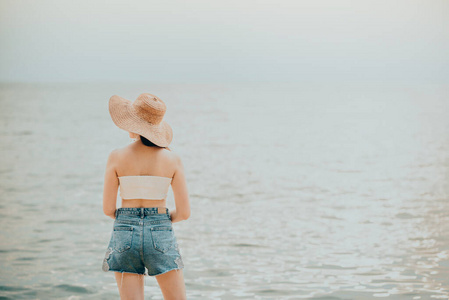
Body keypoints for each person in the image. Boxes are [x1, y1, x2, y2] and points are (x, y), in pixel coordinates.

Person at [102, 93, 190, 300]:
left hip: (125, 229)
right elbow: (184, 213)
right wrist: (158, 220)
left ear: (134, 125)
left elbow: (108, 209)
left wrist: (131, 219)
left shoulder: (116, 156)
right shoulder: (172, 159)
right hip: (160, 228)